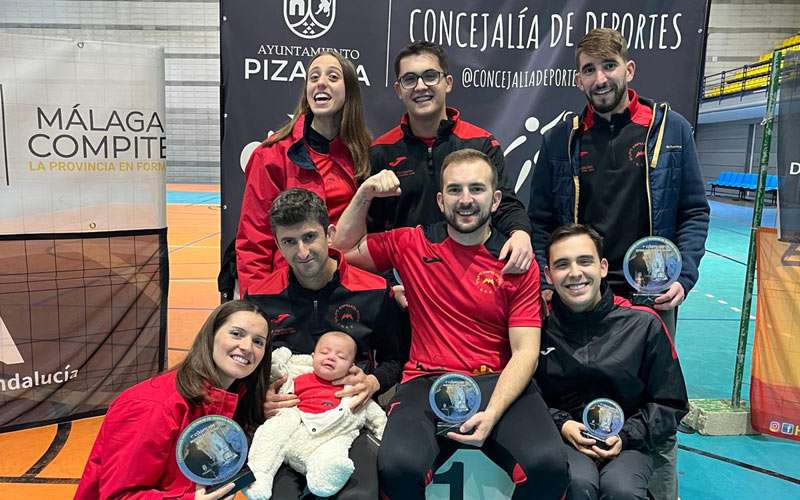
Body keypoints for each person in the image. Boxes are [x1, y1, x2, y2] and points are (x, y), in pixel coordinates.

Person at [333, 148, 569, 499]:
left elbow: (525, 352)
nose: (466, 200)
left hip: (496, 381)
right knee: (398, 467)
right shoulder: (411, 243)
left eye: (477, 189)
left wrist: (492, 413)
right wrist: (365, 192)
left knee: (549, 467)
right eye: (455, 190)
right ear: (441, 201)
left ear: (496, 200)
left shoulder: (516, 262)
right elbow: (340, 248)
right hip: (426, 382)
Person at [528, 27, 709, 335]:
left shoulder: (671, 130)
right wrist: (547, 282)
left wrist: (684, 274)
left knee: (650, 382)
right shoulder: (558, 140)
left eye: (609, 65)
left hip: (651, 293)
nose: (600, 79)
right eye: (589, 70)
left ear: (629, 69)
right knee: (575, 382)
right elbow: (540, 222)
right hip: (580, 289)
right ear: (578, 80)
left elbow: (693, 212)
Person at [245, 188, 405, 499]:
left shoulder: (373, 291)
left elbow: (396, 360)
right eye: (289, 242)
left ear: (329, 234)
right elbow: (246, 368)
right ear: (277, 244)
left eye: (309, 237)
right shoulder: (260, 297)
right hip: (286, 424)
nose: (302, 252)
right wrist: (259, 398)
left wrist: (373, 381)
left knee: (356, 497)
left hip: (347, 423)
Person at [366, 40, 534, 308]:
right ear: (398, 90)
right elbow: (371, 232)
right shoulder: (380, 152)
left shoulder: (481, 142)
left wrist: (521, 234)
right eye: (410, 79)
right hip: (406, 290)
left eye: (430, 76)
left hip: (473, 286)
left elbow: (506, 206)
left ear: (448, 82)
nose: (421, 86)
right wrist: (389, 285)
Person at [536, 223, 689, 500]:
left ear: (603, 267)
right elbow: (529, 394)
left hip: (629, 445)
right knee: (578, 483)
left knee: (622, 490)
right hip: (565, 441)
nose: (575, 273)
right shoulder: (538, 329)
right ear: (548, 274)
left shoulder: (644, 325)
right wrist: (562, 424)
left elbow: (671, 402)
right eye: (562, 264)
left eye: (585, 261)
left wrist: (627, 435)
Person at [75, 300, 271, 500]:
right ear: (211, 336)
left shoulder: (234, 397)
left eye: (258, 341)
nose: (247, 347)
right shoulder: (151, 405)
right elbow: (118, 497)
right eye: (236, 334)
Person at [236, 50, 372, 296]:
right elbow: (254, 240)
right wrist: (255, 303)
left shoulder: (365, 154)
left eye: (333, 77)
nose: (321, 82)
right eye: (313, 77)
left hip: (346, 288)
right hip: (288, 291)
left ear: (349, 90)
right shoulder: (272, 155)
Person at [246, 332, 387, 499]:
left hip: (329, 436)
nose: (331, 357)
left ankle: (325, 478)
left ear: (352, 365)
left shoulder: (354, 391)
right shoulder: (296, 375)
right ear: (312, 356)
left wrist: (383, 438)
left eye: (341, 356)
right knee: (271, 432)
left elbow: (377, 418)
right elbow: (277, 364)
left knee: (333, 453)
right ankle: (259, 477)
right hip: (292, 429)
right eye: (324, 352)